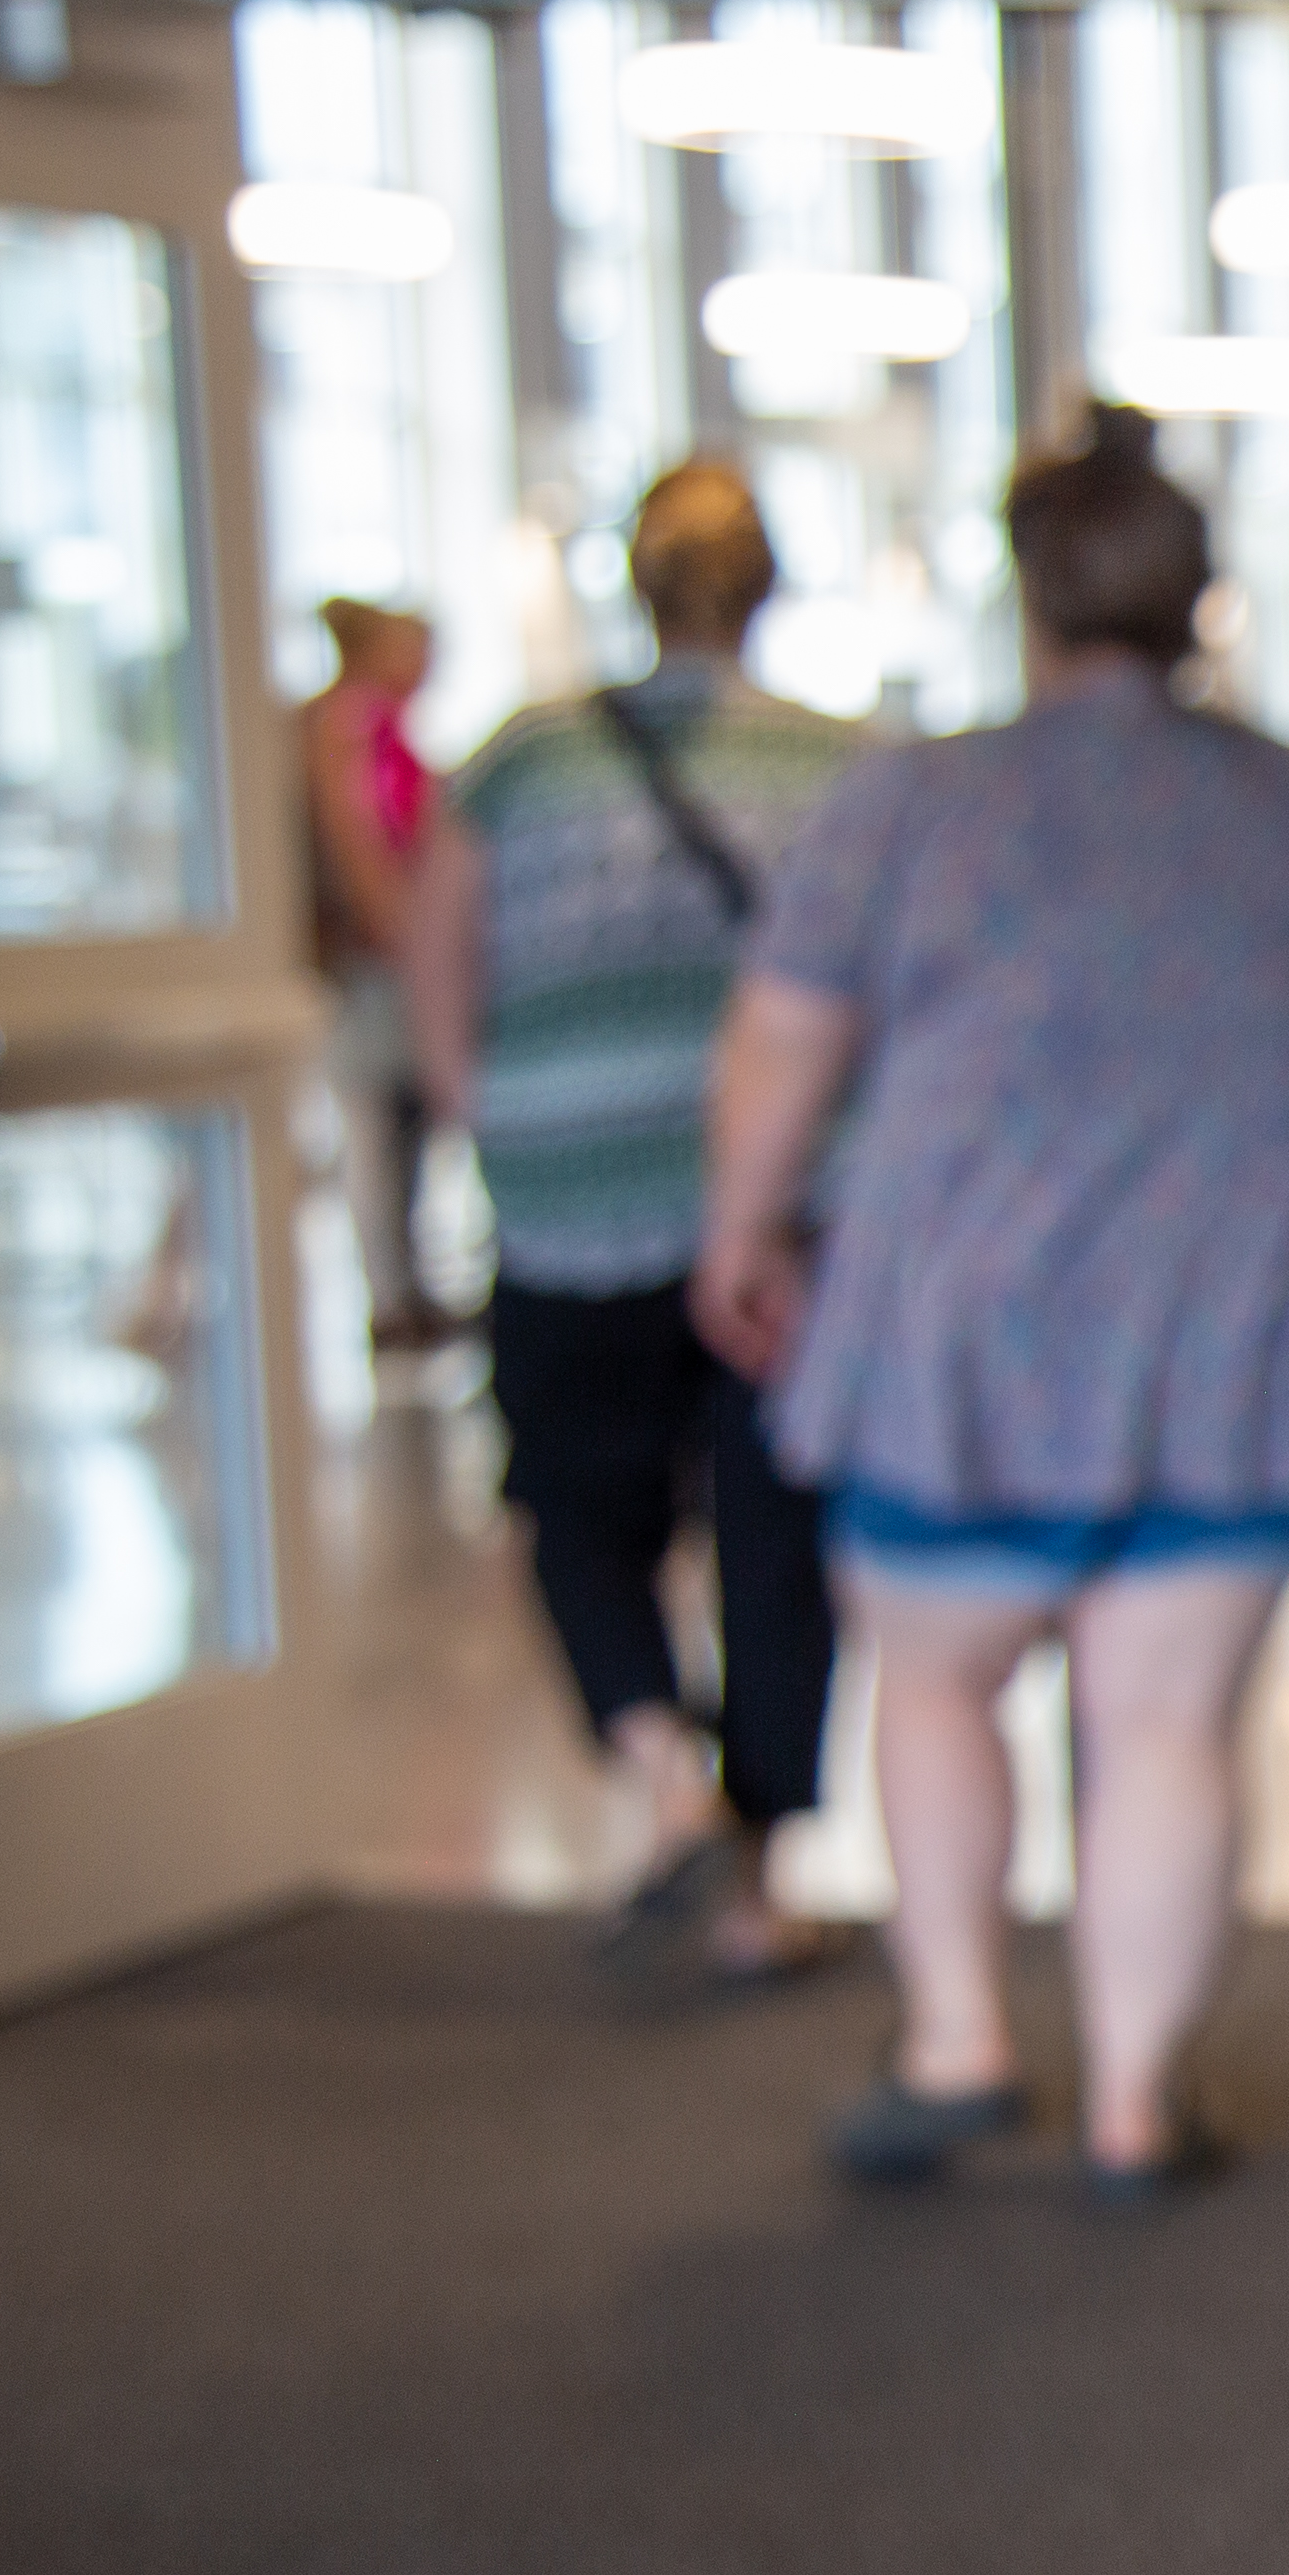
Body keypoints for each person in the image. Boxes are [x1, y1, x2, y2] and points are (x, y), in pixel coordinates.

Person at [698, 413, 1289, 2206]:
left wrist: (742, 1232)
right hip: (1244, 1313)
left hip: (969, 1320)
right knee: (1169, 1725)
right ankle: (1131, 2104)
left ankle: (956, 2041)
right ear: (1203, 604)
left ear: (1026, 600)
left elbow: (787, 1042)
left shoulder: (912, 803)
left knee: (937, 1681)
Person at [404, 466, 860, 1980]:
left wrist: (495, 1108)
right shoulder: (839, 765)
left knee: (576, 1501)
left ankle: (664, 1777)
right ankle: (758, 1877)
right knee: (772, 1523)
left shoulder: (524, 764)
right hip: (783, 1197)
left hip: (566, 1189)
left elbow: (437, 956)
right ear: (768, 587)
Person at [301, 595, 451, 1355]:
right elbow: (357, 841)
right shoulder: (346, 725)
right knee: (374, 1124)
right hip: (368, 957)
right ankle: (391, 1294)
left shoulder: (374, 723)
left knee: (398, 1124)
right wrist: (403, 935)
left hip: (385, 949)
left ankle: (407, 1286)